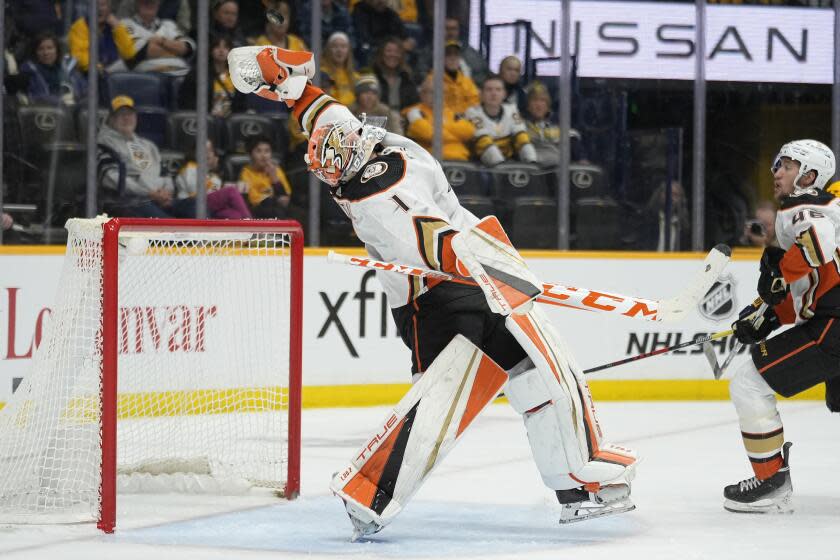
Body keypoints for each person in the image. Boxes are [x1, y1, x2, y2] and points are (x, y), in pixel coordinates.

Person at [229, 45, 638, 538]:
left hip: (465, 283)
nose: (334, 170)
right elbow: (435, 245)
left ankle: (572, 487)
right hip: (434, 298)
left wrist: (285, 83)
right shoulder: (374, 197)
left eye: (337, 155)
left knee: (524, 370)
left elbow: (317, 107)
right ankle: (369, 494)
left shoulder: (355, 137)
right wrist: (487, 267)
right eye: (329, 166)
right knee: (450, 391)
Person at [727, 139, 838, 514]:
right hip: (830, 319)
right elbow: (806, 289)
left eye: (787, 166)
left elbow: (818, 245)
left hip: (834, 328)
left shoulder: (802, 208)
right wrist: (766, 316)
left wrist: (780, 277)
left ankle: (770, 479)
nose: (776, 171)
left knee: (748, 382)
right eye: (776, 164)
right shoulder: (824, 208)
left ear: (809, 176)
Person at [97, 95, 196, 218]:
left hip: (157, 198)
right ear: (111, 119)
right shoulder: (103, 144)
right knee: (168, 224)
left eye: (130, 114)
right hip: (128, 201)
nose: (127, 118)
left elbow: (165, 174)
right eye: (121, 114)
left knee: (195, 207)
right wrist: (149, 193)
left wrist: (165, 193)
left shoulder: (148, 145)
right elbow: (111, 179)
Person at [465, 75, 536, 167]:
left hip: (509, 161)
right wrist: (502, 171)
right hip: (482, 165)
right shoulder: (472, 113)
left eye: (498, 90)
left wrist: (532, 164)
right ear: (481, 94)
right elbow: (483, 142)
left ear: (504, 94)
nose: (494, 93)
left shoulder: (511, 109)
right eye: (489, 90)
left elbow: (522, 138)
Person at [403, 76, 474, 161]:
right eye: (432, 92)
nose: (437, 96)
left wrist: (439, 127)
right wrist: (456, 135)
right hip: (432, 161)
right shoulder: (414, 112)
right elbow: (430, 135)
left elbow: (469, 131)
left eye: (441, 92)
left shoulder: (452, 113)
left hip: (460, 159)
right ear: (422, 94)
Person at [176, 139, 252, 219]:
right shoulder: (190, 168)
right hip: (191, 203)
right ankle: (253, 225)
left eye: (210, 150)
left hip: (209, 207)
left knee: (234, 215)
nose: (208, 153)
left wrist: (213, 170)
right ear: (195, 152)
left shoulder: (211, 174)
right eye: (203, 150)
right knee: (231, 191)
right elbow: (195, 190)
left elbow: (214, 190)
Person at [122, 0, 196, 76]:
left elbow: (188, 48)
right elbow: (140, 52)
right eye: (145, 2)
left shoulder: (168, 24)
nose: (149, 5)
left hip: (181, 74)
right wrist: (175, 49)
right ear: (137, 4)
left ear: (158, 5)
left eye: (153, 3)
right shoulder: (126, 24)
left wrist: (161, 41)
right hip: (149, 76)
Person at [178, 34, 246, 116]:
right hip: (205, 120)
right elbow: (187, 100)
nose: (221, 50)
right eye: (217, 47)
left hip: (230, 122)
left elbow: (242, 104)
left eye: (226, 47)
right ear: (211, 50)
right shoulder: (197, 74)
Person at [523, 81, 584, 167]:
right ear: (528, 106)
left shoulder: (559, 126)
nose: (539, 105)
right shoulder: (519, 126)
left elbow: (574, 142)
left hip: (558, 172)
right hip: (530, 172)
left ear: (548, 106)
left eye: (543, 100)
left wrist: (581, 159)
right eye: (535, 100)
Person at [68, 0, 136, 74]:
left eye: (103, 5)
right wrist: (100, 68)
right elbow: (79, 57)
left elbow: (129, 54)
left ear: (109, 8)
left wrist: (117, 28)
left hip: (114, 75)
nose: (99, 9)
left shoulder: (115, 26)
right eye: (96, 5)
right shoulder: (79, 27)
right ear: (89, 8)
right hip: (89, 76)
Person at [20, 32, 87, 106]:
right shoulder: (29, 71)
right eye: (40, 49)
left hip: (74, 110)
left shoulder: (69, 67)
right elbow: (35, 97)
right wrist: (61, 102)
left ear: (57, 50)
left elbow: (86, 92)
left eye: (50, 48)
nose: (46, 53)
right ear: (35, 52)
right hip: (45, 113)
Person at [238, 135, 293, 218]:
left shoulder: (276, 170)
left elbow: (285, 198)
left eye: (267, 151)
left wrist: (275, 179)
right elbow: (253, 200)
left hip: (277, 209)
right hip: (257, 211)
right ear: (250, 154)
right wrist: (273, 198)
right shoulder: (246, 173)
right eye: (258, 151)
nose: (263, 156)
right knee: (270, 204)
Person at [351, 0, 409, 67]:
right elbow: (364, 39)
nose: (381, 1)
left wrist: (407, 42)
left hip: (391, 47)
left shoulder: (390, 13)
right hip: (371, 49)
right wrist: (389, 45)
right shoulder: (360, 11)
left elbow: (404, 35)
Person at [371, 37, 419, 112]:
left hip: (403, 120)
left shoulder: (407, 78)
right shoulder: (371, 76)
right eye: (388, 51)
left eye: (397, 52)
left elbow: (414, 105)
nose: (393, 55)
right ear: (381, 54)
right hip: (377, 120)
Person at [438, 40, 479, 116]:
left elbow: (475, 101)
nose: (453, 58)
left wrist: (464, 113)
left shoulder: (467, 81)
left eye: (456, 54)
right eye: (448, 55)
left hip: (465, 119)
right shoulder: (433, 81)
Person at [444, 17, 488, 85]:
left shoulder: (470, 53)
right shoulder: (430, 52)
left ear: (458, 30)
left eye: (453, 29)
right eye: (447, 29)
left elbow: (482, 72)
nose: (450, 32)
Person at [320, 32, 359, 106]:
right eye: (335, 46)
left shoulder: (356, 77)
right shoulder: (322, 74)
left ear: (348, 51)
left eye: (343, 46)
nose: (339, 50)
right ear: (328, 50)